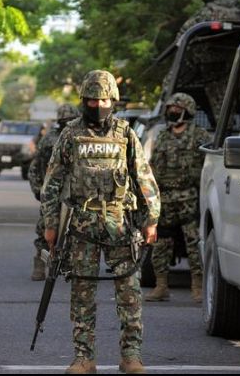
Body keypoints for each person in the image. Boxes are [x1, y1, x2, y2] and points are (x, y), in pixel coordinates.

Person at [41, 70, 160, 374]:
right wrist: (50, 225)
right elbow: (52, 182)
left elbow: (143, 177)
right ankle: (84, 357)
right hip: (82, 224)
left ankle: (131, 356)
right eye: (92, 100)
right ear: (84, 100)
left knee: (129, 291)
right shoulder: (70, 135)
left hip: (120, 222)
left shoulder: (125, 133)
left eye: (103, 100)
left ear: (113, 101)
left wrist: (151, 218)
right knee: (82, 293)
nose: (98, 105)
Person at [145, 93, 210, 303]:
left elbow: (208, 166)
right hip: (165, 198)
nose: (172, 112)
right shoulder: (163, 136)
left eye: (177, 109)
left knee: (193, 243)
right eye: (170, 109)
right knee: (161, 244)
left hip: (188, 197)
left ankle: (197, 287)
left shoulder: (199, 136)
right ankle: (161, 286)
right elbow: (154, 165)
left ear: (187, 110)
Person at [27, 103, 80, 281]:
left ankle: (66, 264)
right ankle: (40, 263)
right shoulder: (49, 139)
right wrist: (38, 190)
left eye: (71, 119)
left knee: (73, 230)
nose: (67, 122)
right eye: (65, 119)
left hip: (73, 193)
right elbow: (35, 167)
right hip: (52, 192)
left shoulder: (80, 137)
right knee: (45, 228)